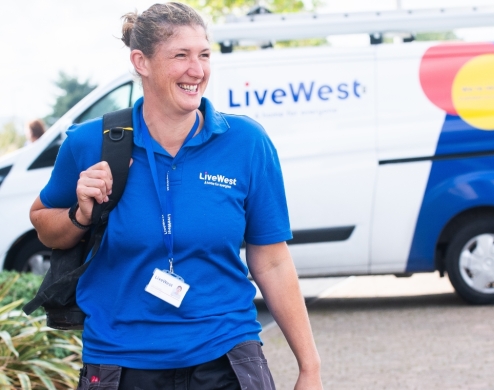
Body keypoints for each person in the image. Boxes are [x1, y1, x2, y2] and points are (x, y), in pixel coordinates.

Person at [28, 3, 322, 389]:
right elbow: (43, 225)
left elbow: (272, 262)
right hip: (122, 364)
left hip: (227, 356)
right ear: (142, 61)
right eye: (180, 55)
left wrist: (309, 368)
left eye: (203, 55)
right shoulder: (90, 143)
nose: (197, 70)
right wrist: (79, 215)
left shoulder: (246, 143)